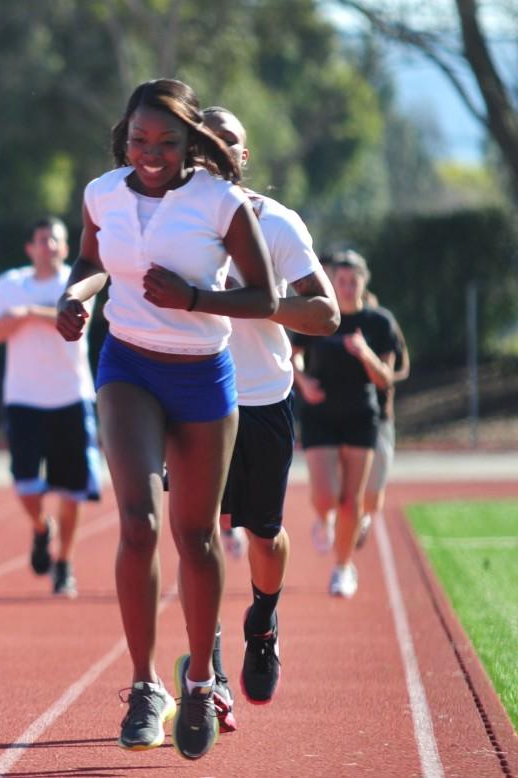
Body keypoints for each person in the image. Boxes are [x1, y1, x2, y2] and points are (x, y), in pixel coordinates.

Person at [56, 79, 277, 760]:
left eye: (166, 142)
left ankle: (204, 682)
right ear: (123, 135)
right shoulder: (102, 193)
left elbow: (266, 295)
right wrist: (75, 293)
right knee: (138, 523)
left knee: (196, 536)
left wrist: (194, 297)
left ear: (190, 145)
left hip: (203, 375)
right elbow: (94, 261)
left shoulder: (218, 201)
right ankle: (147, 685)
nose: (149, 153)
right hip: (128, 366)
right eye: (138, 140)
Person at [201, 107, 340, 723]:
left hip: (262, 399)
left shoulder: (275, 223)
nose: (217, 150)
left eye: (228, 142)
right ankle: (209, 665)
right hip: (195, 397)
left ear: (244, 156)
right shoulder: (170, 221)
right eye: (206, 141)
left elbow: (327, 313)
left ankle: (262, 622)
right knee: (197, 534)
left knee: (261, 533)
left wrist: (259, 301)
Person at [0, 216, 102, 598]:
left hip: (70, 397)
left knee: (72, 491)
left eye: (55, 240)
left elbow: (75, 321)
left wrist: (29, 314)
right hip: (23, 398)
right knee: (25, 483)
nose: (48, 245)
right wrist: (13, 320)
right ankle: (39, 528)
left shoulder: (77, 282)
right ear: (30, 248)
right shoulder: (8, 284)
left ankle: (64, 563)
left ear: (65, 248)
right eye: (41, 239)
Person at [292, 249, 397, 598]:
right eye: (342, 281)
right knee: (324, 496)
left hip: (360, 416)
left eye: (354, 281)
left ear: (364, 283)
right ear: (333, 282)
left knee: (351, 501)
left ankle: (343, 568)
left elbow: (385, 379)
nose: (348, 287)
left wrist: (364, 352)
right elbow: (293, 356)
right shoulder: (320, 314)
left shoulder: (379, 323)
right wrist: (303, 382)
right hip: (320, 414)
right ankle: (324, 520)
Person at [356, 291, 410, 548]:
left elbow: (402, 368)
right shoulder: (342, 327)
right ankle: (347, 518)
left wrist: (379, 373)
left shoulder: (385, 325)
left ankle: (363, 515)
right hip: (348, 413)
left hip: (381, 415)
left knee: (374, 491)